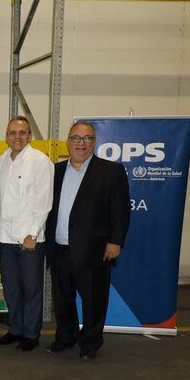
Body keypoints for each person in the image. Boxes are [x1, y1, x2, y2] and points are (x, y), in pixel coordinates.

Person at [45, 121, 130, 360]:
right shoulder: (56, 171)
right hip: (60, 247)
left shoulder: (111, 171)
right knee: (62, 300)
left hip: (94, 249)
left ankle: (90, 343)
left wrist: (115, 241)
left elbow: (120, 211)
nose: (80, 143)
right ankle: (65, 337)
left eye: (87, 138)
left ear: (94, 142)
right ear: (67, 142)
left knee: (94, 300)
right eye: (75, 138)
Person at [0, 116, 53, 352]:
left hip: (30, 239)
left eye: (22, 132)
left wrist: (33, 233)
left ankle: (30, 334)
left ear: (30, 136)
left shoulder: (40, 161)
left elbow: (44, 200)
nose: (17, 137)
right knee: (11, 288)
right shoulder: (0, 162)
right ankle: (15, 329)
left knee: (31, 288)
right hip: (6, 237)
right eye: (12, 132)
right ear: (6, 136)